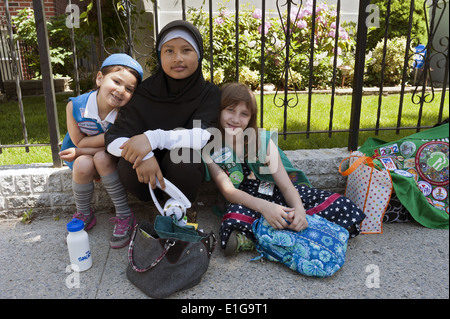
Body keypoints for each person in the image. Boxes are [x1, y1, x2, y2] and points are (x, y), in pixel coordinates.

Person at [203, 83, 366, 256]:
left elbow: (287, 187)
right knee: (234, 217)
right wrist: (266, 208)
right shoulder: (210, 148)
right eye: (230, 110)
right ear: (218, 111)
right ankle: (293, 232)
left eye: (244, 114)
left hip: (274, 192)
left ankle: (270, 234)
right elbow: (229, 192)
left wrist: (300, 212)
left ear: (251, 118)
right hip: (245, 201)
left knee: (342, 205)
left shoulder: (261, 141)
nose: (236, 119)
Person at [104, 20, 221, 219]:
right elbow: (113, 138)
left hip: (182, 171)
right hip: (148, 175)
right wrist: (146, 155)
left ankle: (181, 207)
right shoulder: (144, 92)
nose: (177, 58)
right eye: (169, 51)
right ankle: (156, 205)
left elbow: (202, 136)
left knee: (184, 157)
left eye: (186, 50)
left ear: (199, 55)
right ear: (160, 55)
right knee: (128, 162)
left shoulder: (209, 93)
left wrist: (153, 139)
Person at [59, 53, 143, 249]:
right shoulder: (76, 106)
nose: (121, 91)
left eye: (129, 89)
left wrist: (84, 149)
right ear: (99, 78)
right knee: (82, 163)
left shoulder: (125, 114)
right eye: (116, 81)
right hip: (81, 155)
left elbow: (114, 142)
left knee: (102, 156)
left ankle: (124, 214)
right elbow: (78, 141)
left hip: (110, 158)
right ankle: (84, 213)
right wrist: (80, 152)